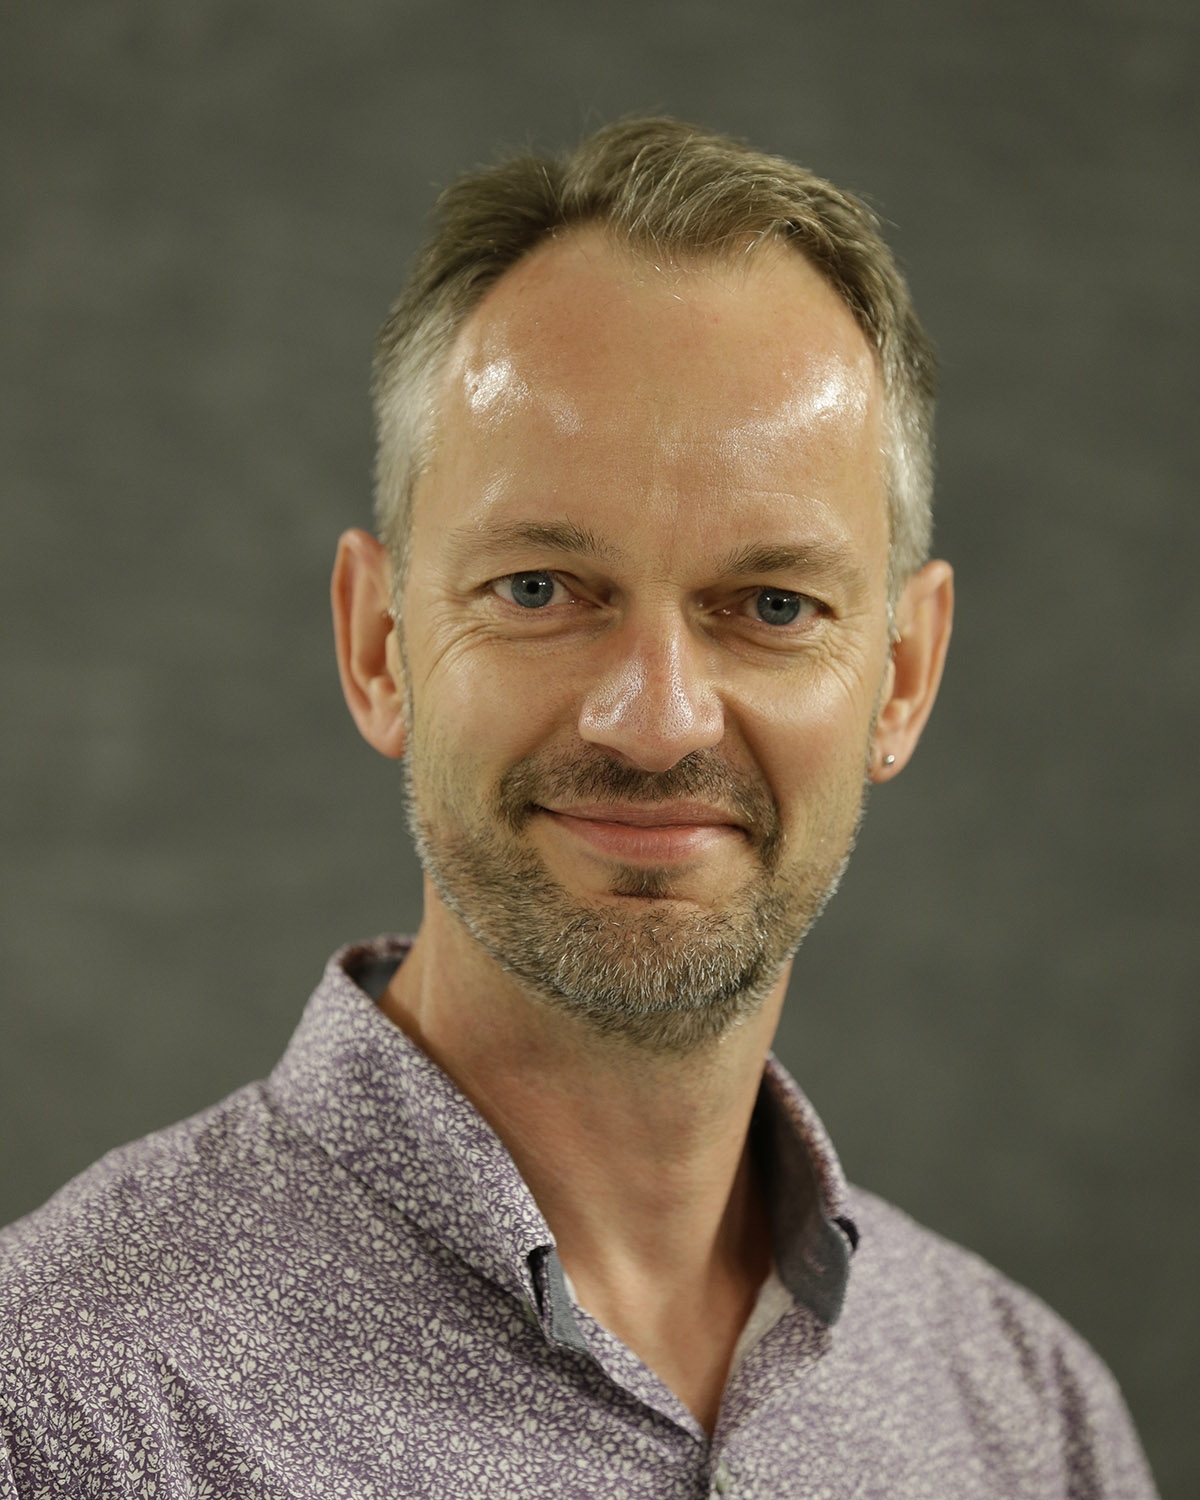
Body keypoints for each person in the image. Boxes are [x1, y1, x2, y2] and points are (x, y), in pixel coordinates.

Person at [0, 118, 1157, 1499]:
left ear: (902, 678)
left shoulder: (1030, 1426)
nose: (657, 719)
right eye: (541, 590)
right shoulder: (58, 1408)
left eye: (772, 604)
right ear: (377, 646)